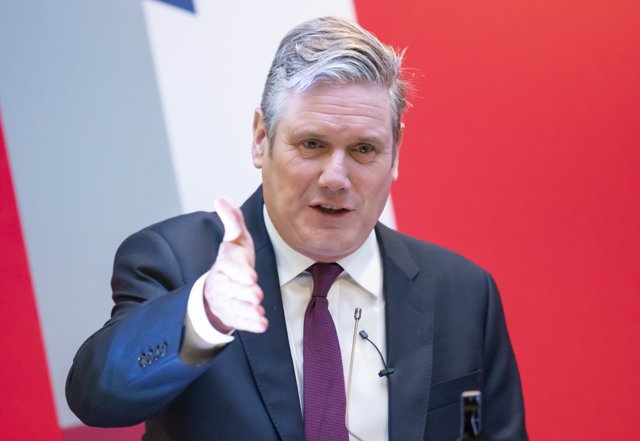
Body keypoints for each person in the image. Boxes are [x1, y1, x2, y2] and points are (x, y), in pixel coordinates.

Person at [66, 16, 528, 441]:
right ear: (261, 138)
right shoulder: (176, 260)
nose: (335, 177)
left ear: (396, 153)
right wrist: (206, 314)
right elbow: (97, 398)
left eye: (364, 150)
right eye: (312, 144)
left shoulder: (463, 293)